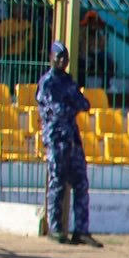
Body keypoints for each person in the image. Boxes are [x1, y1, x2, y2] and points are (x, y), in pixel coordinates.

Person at [38, 41, 98, 246]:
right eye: (59, 56)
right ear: (51, 57)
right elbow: (56, 109)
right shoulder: (47, 83)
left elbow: (84, 104)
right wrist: (70, 106)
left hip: (72, 138)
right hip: (56, 138)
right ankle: (56, 229)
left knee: (81, 182)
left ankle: (81, 230)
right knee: (57, 183)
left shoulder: (68, 82)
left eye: (65, 57)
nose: (62, 60)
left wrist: (70, 105)